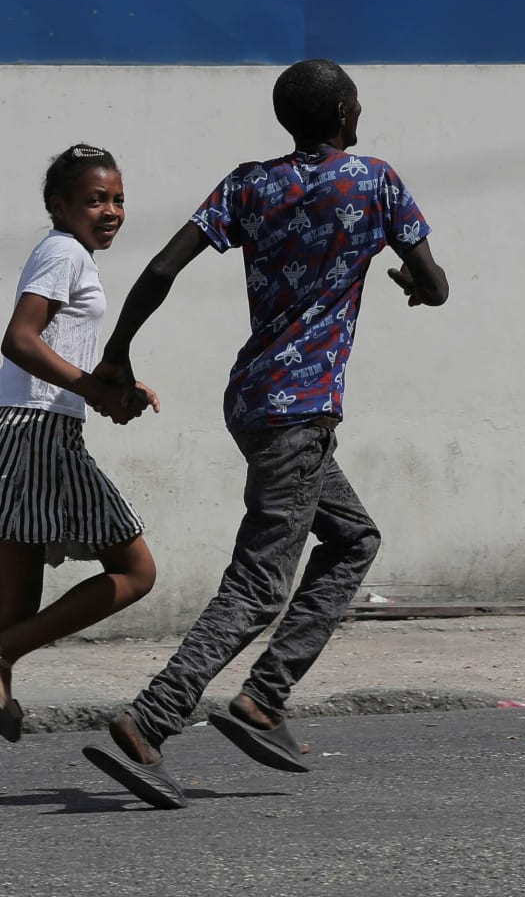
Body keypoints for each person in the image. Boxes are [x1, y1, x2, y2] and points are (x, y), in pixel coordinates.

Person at [80, 59, 450, 810]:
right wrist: (415, 285)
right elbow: (436, 283)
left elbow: (159, 267)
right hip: (301, 410)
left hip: (251, 400)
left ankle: (265, 698)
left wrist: (117, 352)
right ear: (346, 111)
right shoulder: (374, 182)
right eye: (357, 103)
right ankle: (154, 717)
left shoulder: (250, 183)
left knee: (353, 538)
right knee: (259, 581)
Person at [0, 145, 160, 803]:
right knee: (135, 573)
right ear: (59, 207)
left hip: (10, 431)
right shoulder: (64, 252)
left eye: (118, 199)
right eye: (95, 199)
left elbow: (56, 352)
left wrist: (112, 387)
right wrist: (93, 395)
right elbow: (20, 339)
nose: (110, 211)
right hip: (34, 436)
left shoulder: (70, 257)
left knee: (14, 605)